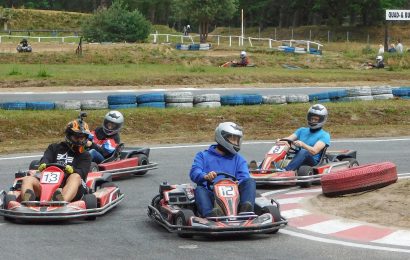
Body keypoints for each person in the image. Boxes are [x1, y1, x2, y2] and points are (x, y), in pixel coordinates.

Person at [189, 122, 256, 217]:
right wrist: (205, 176)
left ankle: (245, 210)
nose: (235, 142)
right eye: (232, 139)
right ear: (222, 137)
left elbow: (244, 176)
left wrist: (238, 182)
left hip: (234, 197)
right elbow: (195, 172)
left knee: (249, 181)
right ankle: (210, 214)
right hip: (211, 194)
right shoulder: (203, 156)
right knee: (200, 189)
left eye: (237, 139)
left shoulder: (238, 159)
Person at [20, 117, 92, 202]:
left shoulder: (85, 155)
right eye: (77, 137)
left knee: (75, 177)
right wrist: (43, 164)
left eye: (82, 137)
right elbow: (46, 158)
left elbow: (82, 172)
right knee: (28, 179)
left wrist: (72, 170)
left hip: (72, 186)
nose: (80, 140)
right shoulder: (54, 148)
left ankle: (62, 200)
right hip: (47, 185)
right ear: (69, 135)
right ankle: (27, 200)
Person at [277, 104, 330, 171]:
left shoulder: (324, 135)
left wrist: (302, 144)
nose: (313, 121)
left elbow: (314, 151)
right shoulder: (302, 130)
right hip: (297, 157)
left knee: (303, 152)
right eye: (312, 118)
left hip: (312, 161)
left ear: (322, 120)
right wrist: (281, 140)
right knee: (280, 147)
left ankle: (286, 171)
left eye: (316, 119)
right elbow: (289, 138)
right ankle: (263, 169)